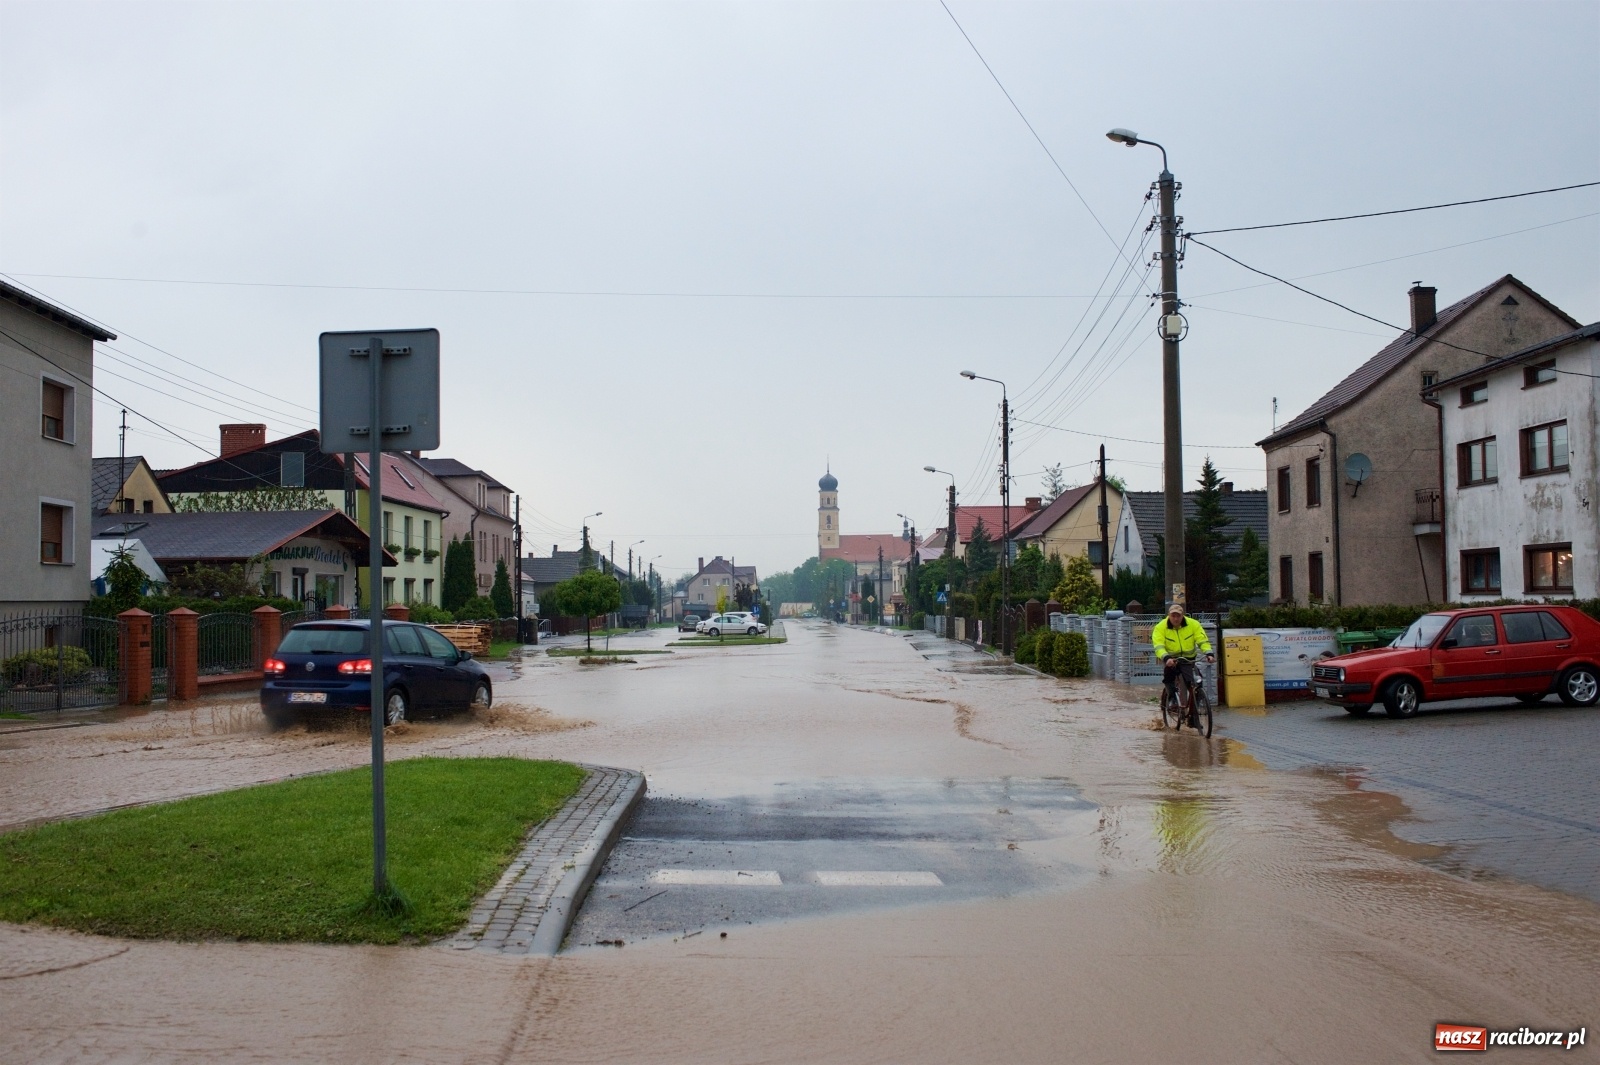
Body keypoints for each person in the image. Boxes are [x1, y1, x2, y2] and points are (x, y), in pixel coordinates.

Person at [1152, 604, 1214, 720]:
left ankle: (1195, 704)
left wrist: (1209, 653)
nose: (1176, 619)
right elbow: (1159, 646)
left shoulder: (1193, 624)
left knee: (1195, 681)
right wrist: (1166, 658)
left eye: (1178, 616)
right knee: (1168, 677)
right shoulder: (1160, 627)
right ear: (1169, 616)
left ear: (1183, 616)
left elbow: (1202, 641)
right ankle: (1172, 699)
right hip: (1170, 658)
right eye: (1173, 616)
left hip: (1188, 659)